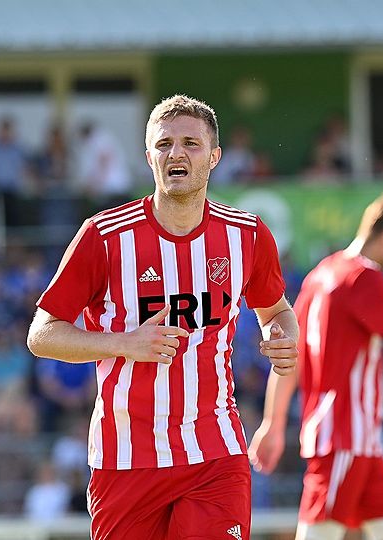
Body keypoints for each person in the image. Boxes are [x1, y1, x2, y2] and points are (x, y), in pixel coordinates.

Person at [27, 94, 298, 540]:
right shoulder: (104, 236)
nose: (177, 153)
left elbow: (277, 310)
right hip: (126, 456)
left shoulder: (247, 234)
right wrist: (122, 343)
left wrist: (281, 337)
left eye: (191, 143)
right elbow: (41, 334)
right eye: (165, 144)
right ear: (148, 156)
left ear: (214, 157)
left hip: (215, 451)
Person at [249, 192, 383, 540]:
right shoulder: (363, 277)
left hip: (357, 442)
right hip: (344, 437)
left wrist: (273, 422)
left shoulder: (323, 273)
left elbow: (290, 356)